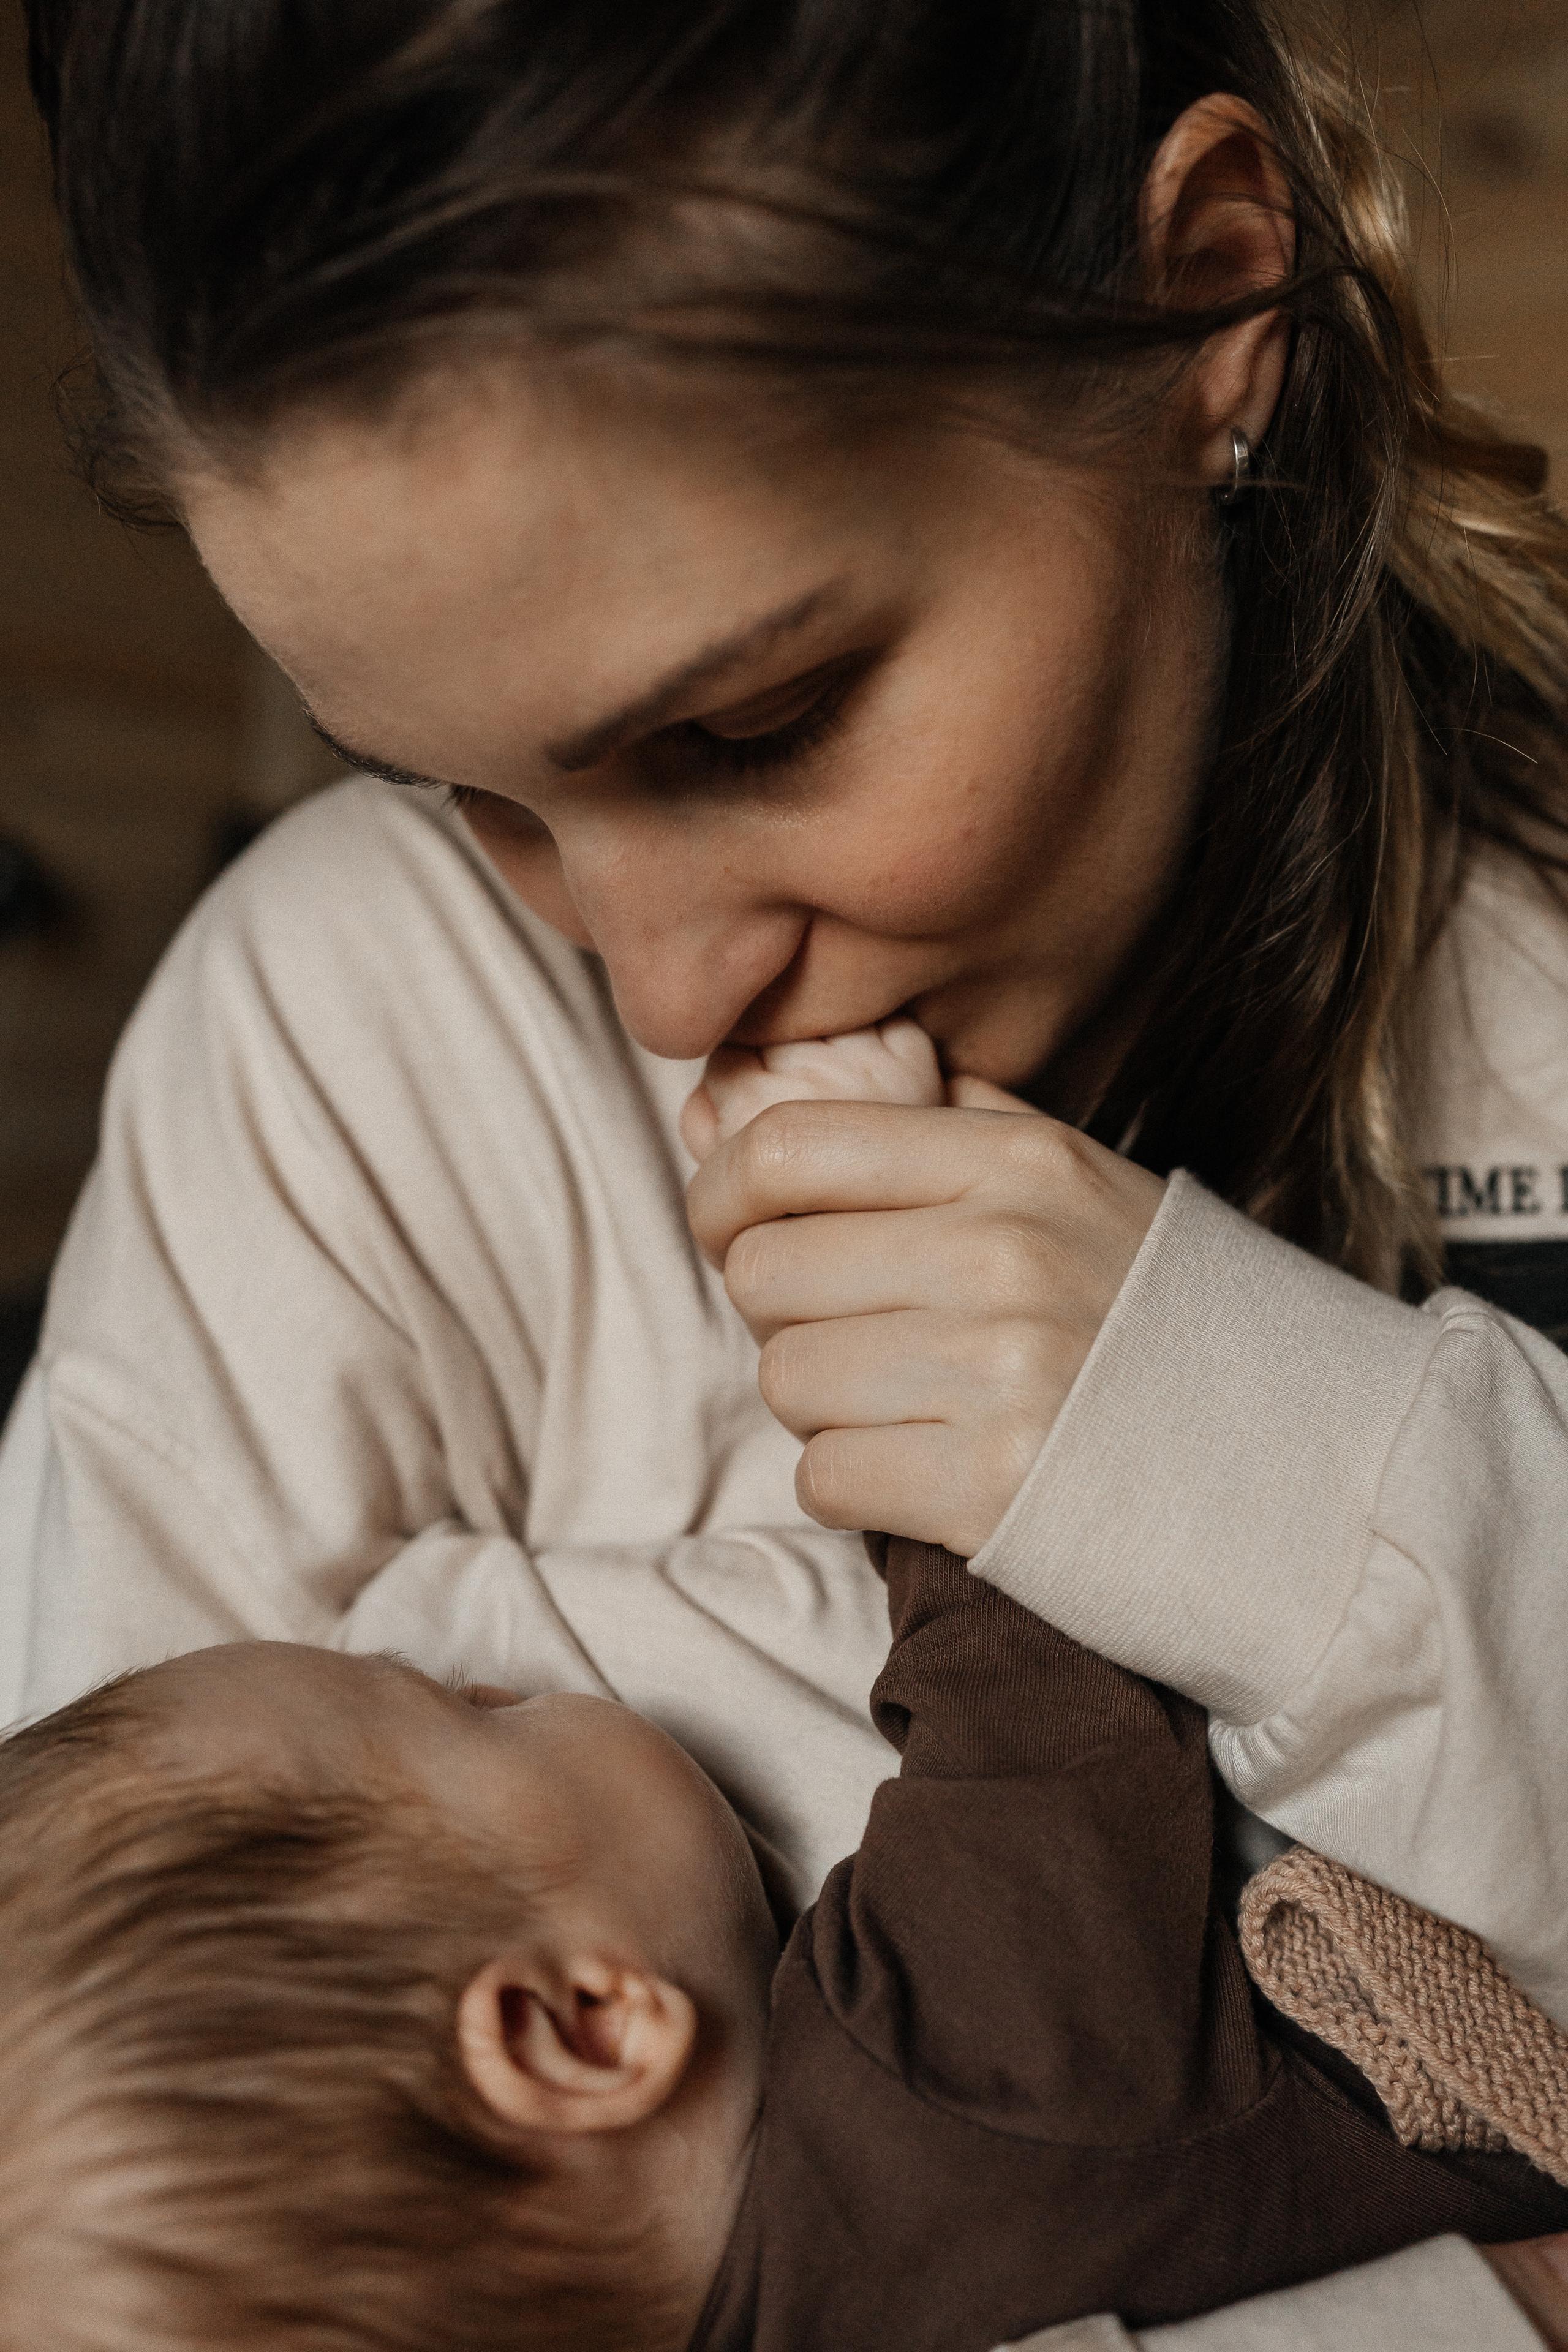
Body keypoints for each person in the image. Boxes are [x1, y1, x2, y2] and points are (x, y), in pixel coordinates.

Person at [7, 0, 1568, 2338]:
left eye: (754, 725)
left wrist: (1229, 1449)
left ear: (1210, 305)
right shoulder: (351, 1049)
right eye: (479, 797)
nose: (653, 992)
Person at [2, 1532, 1565, 2351]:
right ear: (582, 2029)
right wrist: (891, 1304)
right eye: (457, 1708)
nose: (488, 1661)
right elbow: (1034, 1645)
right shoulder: (939, 2079)